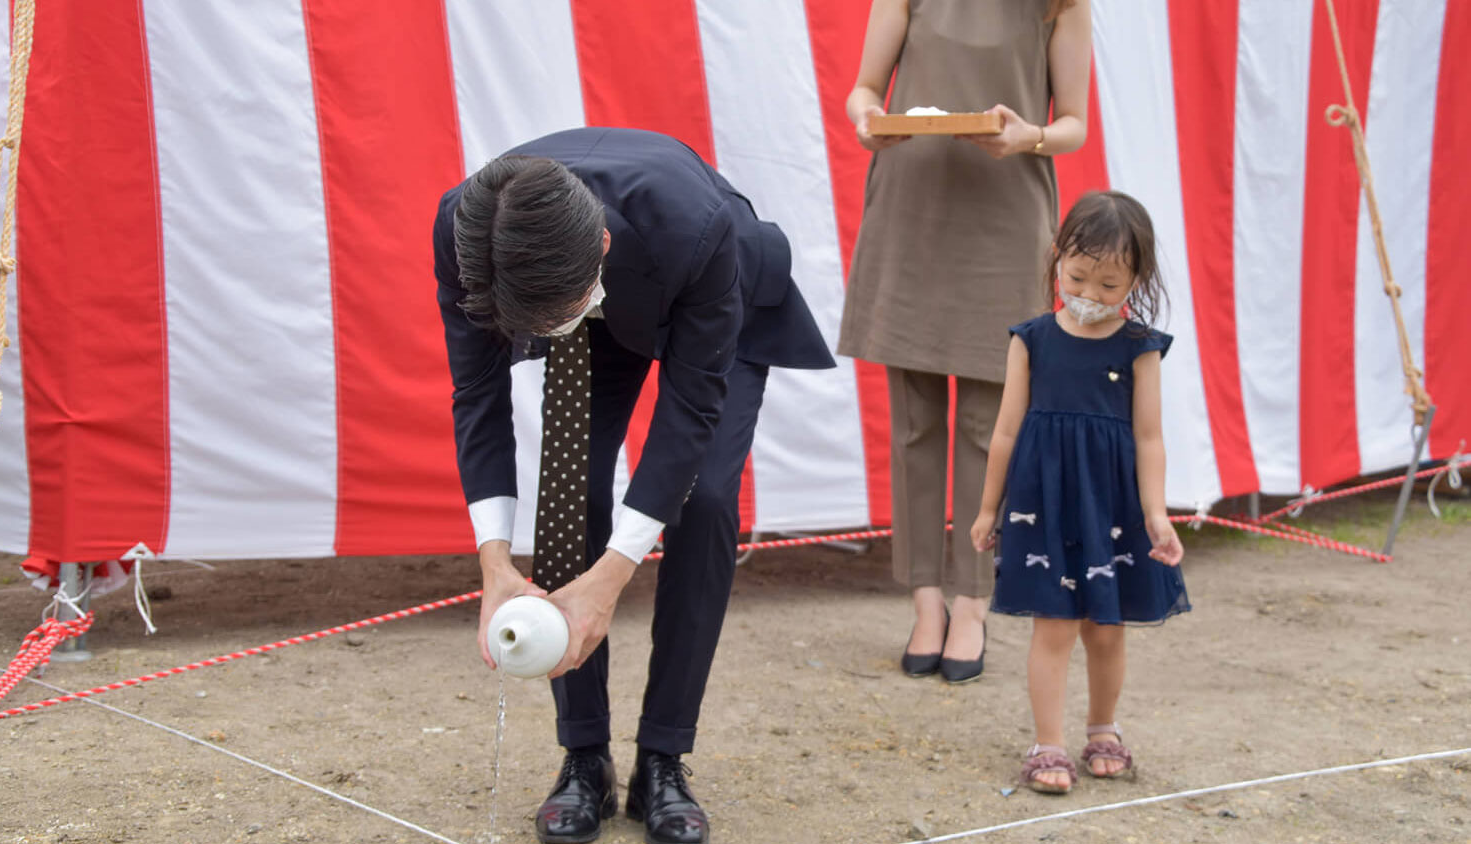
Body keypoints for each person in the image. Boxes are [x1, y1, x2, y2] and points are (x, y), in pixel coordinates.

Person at [432, 127, 834, 844]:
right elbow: (478, 397)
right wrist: (494, 562)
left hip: (715, 292)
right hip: (585, 297)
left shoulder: (696, 225)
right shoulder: (468, 228)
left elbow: (690, 413)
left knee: (704, 498)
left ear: (599, 256)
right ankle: (584, 756)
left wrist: (612, 576)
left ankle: (664, 760)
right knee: (573, 488)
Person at [839, 0, 1092, 683]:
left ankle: (973, 602)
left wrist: (1029, 136)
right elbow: (864, 91)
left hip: (1008, 216)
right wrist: (868, 122)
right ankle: (926, 601)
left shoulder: (1061, 6)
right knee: (914, 423)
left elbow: (1074, 125)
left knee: (991, 425)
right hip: (911, 202)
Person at [968, 190, 1190, 794]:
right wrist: (990, 507)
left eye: (1109, 285)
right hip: (1045, 501)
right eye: (1079, 277)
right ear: (1058, 258)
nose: (1090, 294)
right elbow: (1007, 430)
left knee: (1106, 627)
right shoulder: (1031, 339)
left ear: (1136, 280)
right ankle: (1048, 744)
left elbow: (1149, 437)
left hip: (1112, 505)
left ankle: (1103, 730)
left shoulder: (1140, 347)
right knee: (1054, 625)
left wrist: (1156, 514)